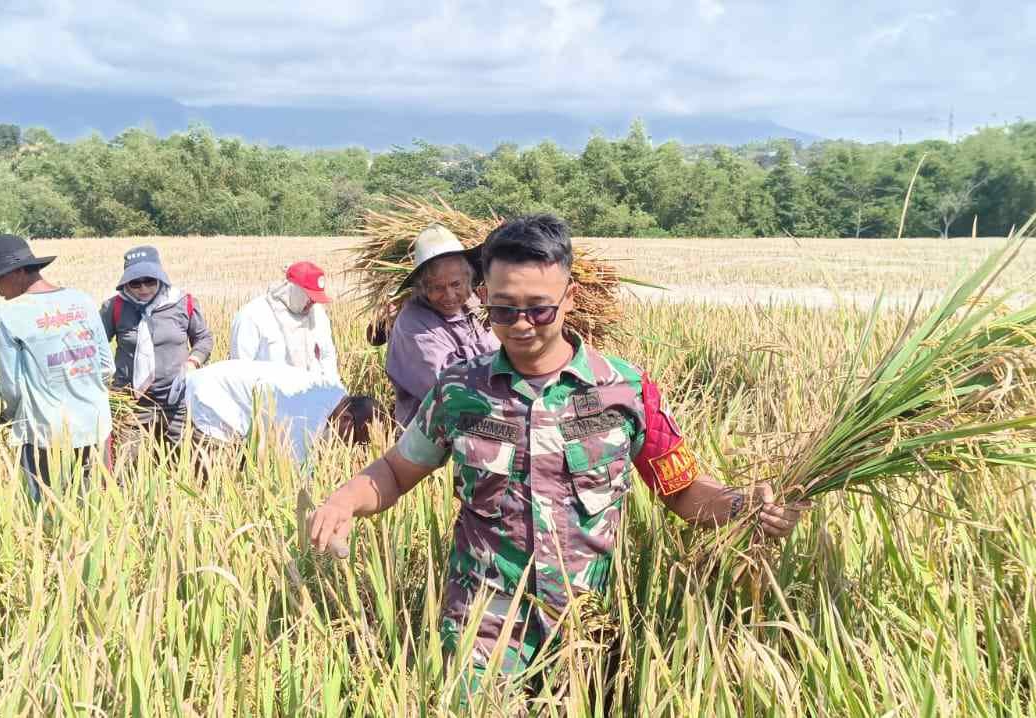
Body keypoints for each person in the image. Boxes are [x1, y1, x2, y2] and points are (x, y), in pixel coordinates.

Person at [305, 214, 812, 685]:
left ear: (570, 297)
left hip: (586, 632)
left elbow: (682, 490)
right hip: (483, 629)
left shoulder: (626, 391)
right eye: (503, 309)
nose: (521, 324)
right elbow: (396, 471)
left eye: (539, 308)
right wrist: (344, 501)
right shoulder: (458, 391)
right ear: (484, 298)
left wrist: (743, 505)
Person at [0, 233, 113, 502]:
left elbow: (12, 387)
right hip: (96, 424)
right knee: (96, 505)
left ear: (19, 272)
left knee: (48, 511)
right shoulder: (82, 300)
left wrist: (7, 416)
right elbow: (106, 367)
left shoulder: (7, 314)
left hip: (45, 432)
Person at [383, 224, 500, 426]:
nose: (449, 295)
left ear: (469, 279)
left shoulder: (475, 306)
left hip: (480, 427)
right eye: (437, 287)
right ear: (422, 287)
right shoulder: (412, 324)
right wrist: (499, 339)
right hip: (433, 436)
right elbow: (448, 385)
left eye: (456, 284)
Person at [100, 245, 214, 445]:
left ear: (160, 278)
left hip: (177, 399)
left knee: (183, 455)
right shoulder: (114, 307)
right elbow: (96, 345)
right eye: (135, 283)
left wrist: (193, 362)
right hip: (131, 402)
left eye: (150, 281)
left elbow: (203, 338)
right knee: (128, 460)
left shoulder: (182, 302)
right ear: (126, 283)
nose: (143, 289)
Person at [182, 359, 383, 464]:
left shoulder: (337, 393)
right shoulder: (308, 420)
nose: (346, 447)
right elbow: (298, 476)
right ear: (346, 419)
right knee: (217, 471)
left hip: (230, 387)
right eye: (352, 440)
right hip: (213, 395)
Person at [230, 261, 341, 385]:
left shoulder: (318, 313)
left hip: (313, 392)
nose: (313, 302)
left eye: (316, 298)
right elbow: (241, 369)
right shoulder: (253, 315)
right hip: (270, 395)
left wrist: (335, 389)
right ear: (292, 289)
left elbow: (327, 356)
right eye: (309, 296)